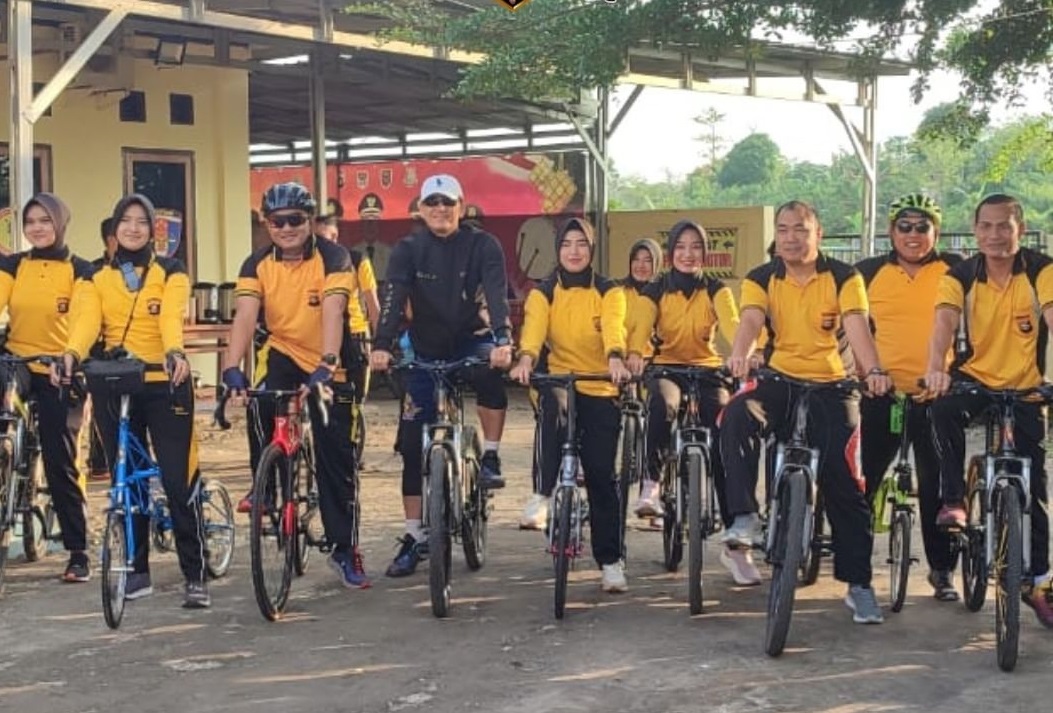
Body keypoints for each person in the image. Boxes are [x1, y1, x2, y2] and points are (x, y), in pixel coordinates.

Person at [722, 200, 892, 625]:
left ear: (819, 234)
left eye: (800, 229)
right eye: (783, 230)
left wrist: (871, 370)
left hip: (834, 387)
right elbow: (750, 320)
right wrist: (740, 355)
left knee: (846, 484)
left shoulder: (844, 276)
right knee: (737, 414)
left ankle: (858, 585)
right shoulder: (762, 277)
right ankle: (744, 516)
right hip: (780, 381)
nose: (791, 238)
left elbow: (856, 324)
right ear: (775, 237)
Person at [58, 193, 210, 608]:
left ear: (153, 230)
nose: (134, 228)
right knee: (129, 481)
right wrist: (71, 353)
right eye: (126, 220)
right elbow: (87, 321)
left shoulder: (171, 271)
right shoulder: (93, 277)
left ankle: (194, 573)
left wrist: (174, 351)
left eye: (142, 221)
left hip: (165, 382)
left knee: (179, 481)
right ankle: (137, 570)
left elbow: (170, 317)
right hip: (113, 384)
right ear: (114, 229)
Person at [221, 182, 370, 589]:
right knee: (258, 401)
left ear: (310, 222)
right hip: (285, 350)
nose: (286, 228)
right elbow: (246, 317)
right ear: (267, 224)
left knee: (334, 456)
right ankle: (265, 487)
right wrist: (231, 367)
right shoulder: (256, 263)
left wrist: (326, 365)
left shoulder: (335, 257)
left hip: (332, 356)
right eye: (277, 221)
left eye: (296, 220)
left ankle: (344, 548)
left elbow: (334, 312)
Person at [371, 174, 513, 578]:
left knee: (490, 374)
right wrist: (382, 343)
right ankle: (414, 536)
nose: (439, 209)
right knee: (413, 444)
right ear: (419, 208)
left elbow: (497, 292)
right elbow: (394, 297)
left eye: (447, 202)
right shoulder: (408, 249)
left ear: (461, 206)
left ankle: (489, 456)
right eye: (431, 202)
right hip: (427, 348)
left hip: (473, 339)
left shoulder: (482, 245)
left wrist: (503, 339)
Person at [924, 193, 1053, 626]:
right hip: (976, 380)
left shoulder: (1041, 270)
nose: (996, 235)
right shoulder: (958, 276)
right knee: (941, 410)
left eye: (1005, 226)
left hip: (1028, 388)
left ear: (1022, 228)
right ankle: (955, 499)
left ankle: (1039, 581)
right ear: (975, 230)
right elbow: (943, 322)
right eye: (987, 227)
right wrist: (935, 369)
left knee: (1035, 486)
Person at [510, 217, 632, 592]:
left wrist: (615, 356)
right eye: (567, 244)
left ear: (591, 249)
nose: (574, 251)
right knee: (554, 411)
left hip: (601, 385)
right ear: (558, 250)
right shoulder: (543, 292)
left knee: (600, 475)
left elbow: (615, 325)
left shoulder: (610, 290)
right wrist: (527, 358)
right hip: (562, 378)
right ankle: (544, 495)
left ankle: (610, 560)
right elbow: (533, 328)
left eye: (581, 244)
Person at [625, 221, 747, 579]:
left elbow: (733, 323)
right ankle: (652, 482)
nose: (688, 254)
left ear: (705, 254)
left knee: (726, 431)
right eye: (681, 247)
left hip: (708, 369)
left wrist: (742, 353)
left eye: (696, 247)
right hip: (666, 367)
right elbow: (641, 326)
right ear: (671, 253)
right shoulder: (655, 289)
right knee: (662, 404)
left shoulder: (716, 289)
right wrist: (633, 352)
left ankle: (735, 544)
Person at [855, 193, 961, 602]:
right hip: (881, 390)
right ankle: (856, 566)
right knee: (862, 481)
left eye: (922, 227)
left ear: (936, 229)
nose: (913, 235)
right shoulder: (866, 273)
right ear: (890, 230)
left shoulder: (956, 269)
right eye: (905, 226)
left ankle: (942, 570)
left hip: (933, 394)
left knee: (936, 485)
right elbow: (848, 326)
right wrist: (862, 374)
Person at [0, 193, 93, 582]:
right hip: (17, 359)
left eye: (45, 221)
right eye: (31, 221)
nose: (37, 228)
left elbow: (86, 319)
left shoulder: (81, 269)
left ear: (60, 223)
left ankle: (78, 551)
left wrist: (70, 355)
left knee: (60, 459)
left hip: (60, 366)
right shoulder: (13, 265)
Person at [316, 212, 381, 433]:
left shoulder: (356, 260)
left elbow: (372, 304)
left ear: (336, 236)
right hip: (320, 334)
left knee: (355, 395)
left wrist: (381, 342)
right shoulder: (308, 264)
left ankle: (353, 442)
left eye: (328, 238)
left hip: (355, 333)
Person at [83, 218, 118, 480]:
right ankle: (99, 460)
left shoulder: (129, 269)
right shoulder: (92, 270)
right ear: (109, 240)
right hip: (94, 347)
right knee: (97, 405)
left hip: (121, 347)